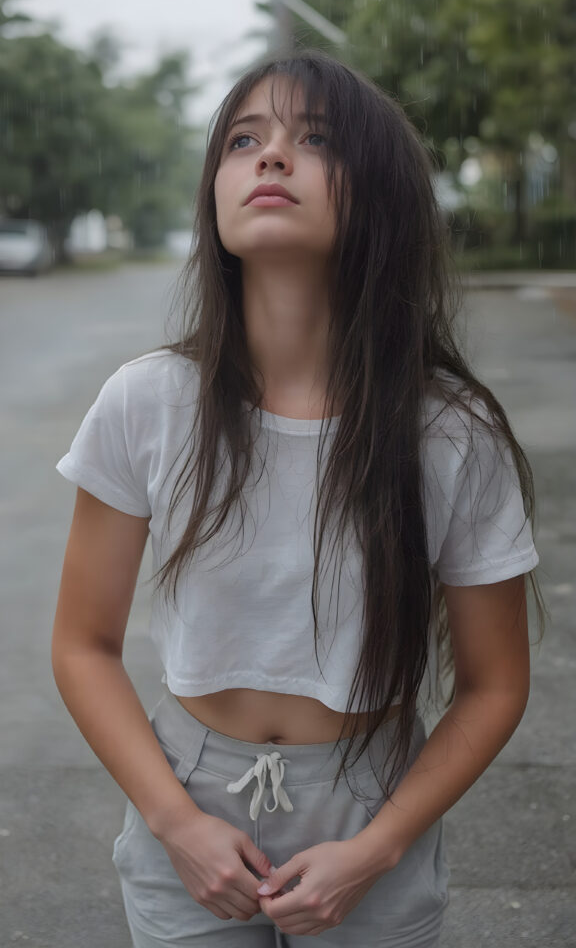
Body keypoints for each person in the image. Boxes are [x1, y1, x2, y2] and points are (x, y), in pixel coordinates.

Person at [52, 51, 541, 948]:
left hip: (371, 797)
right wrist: (175, 824)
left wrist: (379, 847)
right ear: (215, 192)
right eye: (245, 139)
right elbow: (82, 644)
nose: (271, 157)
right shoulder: (146, 401)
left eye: (315, 140)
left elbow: (495, 683)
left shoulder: (451, 430)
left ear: (382, 196)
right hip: (188, 790)